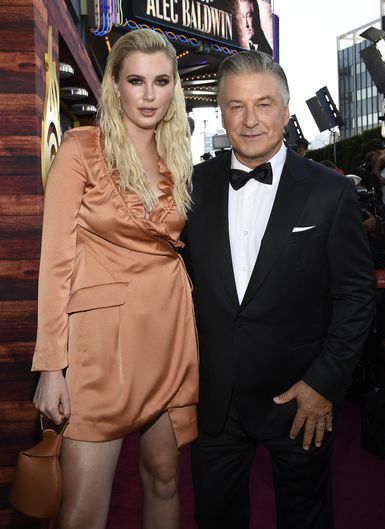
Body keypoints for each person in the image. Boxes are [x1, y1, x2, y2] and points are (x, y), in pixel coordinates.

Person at [182, 51, 375, 529]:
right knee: (215, 517)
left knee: (305, 517)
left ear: (285, 111)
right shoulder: (190, 187)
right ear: (221, 111)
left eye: (264, 105)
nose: (250, 121)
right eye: (236, 106)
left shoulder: (330, 192)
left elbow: (356, 297)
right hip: (215, 400)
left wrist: (322, 384)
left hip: (300, 396)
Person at [32, 29, 198, 529]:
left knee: (165, 479)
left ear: (174, 89)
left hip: (169, 335)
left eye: (161, 81)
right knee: (82, 511)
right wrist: (51, 366)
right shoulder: (82, 149)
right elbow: (56, 260)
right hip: (99, 349)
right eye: (136, 81)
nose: (149, 95)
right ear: (116, 86)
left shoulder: (179, 160)